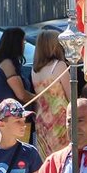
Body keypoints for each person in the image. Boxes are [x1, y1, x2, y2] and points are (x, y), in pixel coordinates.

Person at [30, 28, 71, 159]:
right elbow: (71, 96)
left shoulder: (34, 71)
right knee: (64, 158)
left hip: (42, 119)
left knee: (47, 159)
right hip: (60, 118)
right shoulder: (59, 66)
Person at [0, 27, 30, 105]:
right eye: (23, 41)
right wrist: (38, 97)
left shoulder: (0, 63)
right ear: (16, 44)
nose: (24, 44)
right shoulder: (7, 64)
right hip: (11, 115)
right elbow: (22, 95)